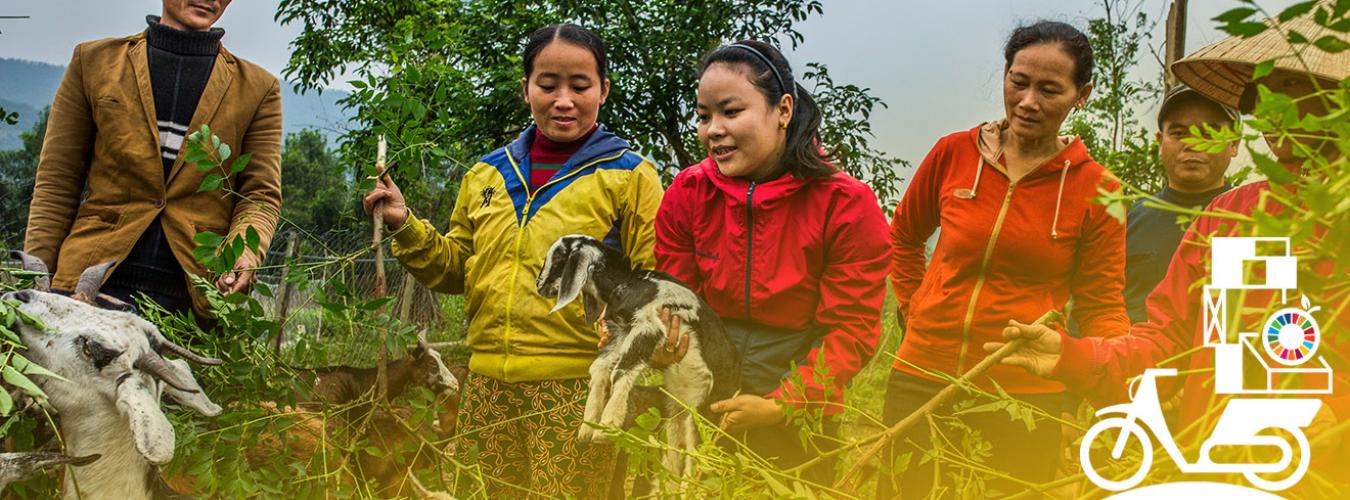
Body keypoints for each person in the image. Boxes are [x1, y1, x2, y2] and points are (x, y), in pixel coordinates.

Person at [991, 4, 1350, 485]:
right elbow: (1166, 339)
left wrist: (1336, 413)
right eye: (1265, 89)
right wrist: (1074, 357)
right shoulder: (1228, 219)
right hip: (1224, 467)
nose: (1271, 105)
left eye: (1295, 87)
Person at [362, 23, 663, 499]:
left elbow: (654, 281)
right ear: (526, 89)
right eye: (548, 85)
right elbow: (456, 267)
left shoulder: (630, 175)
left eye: (580, 86)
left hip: (575, 390)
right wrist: (405, 224)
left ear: (603, 90)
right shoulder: (487, 173)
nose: (563, 99)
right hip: (485, 385)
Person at [881, 21, 1129, 496]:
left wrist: (1109, 378)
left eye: (1050, 89)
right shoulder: (953, 153)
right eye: (1019, 82)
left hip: (1025, 393)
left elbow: (1101, 303)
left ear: (1083, 94)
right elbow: (905, 236)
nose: (1028, 101)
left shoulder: (1100, 190)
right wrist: (914, 308)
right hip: (920, 376)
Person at [651, 40, 889, 485]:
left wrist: (784, 404)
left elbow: (851, 327)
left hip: (799, 402)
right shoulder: (688, 192)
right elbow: (676, 300)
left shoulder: (845, 204)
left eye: (730, 111)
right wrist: (666, 341)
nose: (712, 130)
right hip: (705, 391)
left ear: (782, 109)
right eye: (703, 116)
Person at [24, 0, 282, 318]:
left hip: (190, 300)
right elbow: (57, 182)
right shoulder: (93, 62)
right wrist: (36, 285)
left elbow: (259, 196)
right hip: (86, 288)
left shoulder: (258, 89)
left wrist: (243, 251)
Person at [1123, 85, 1238, 324]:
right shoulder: (1127, 221)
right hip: (1135, 357)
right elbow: (1097, 305)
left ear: (1234, 144)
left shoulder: (1254, 220)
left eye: (1209, 134)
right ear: (1160, 141)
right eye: (1178, 133)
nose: (1192, 144)